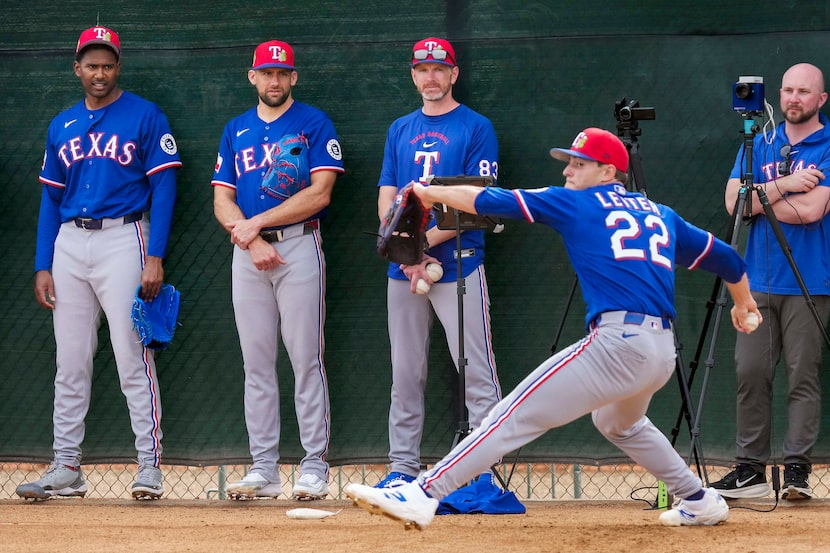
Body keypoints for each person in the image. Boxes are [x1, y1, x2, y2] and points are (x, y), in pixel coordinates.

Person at [346, 127, 762, 528]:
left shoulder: (578, 204)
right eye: (569, 162)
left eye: (580, 163)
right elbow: (727, 258)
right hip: (659, 351)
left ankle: (421, 494)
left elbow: (488, 199)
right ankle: (698, 499)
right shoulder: (661, 213)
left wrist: (426, 190)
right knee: (617, 423)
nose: (567, 171)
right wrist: (744, 305)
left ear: (608, 171)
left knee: (508, 416)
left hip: (618, 345)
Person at [16, 26, 181, 500]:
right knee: (70, 360)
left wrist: (156, 255)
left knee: (133, 355)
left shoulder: (145, 115)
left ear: (117, 67)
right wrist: (42, 263)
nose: (100, 72)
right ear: (77, 69)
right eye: (91, 64)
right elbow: (51, 198)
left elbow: (165, 187)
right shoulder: (61, 124)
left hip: (124, 236)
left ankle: (149, 465)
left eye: (107, 64)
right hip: (69, 242)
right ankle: (66, 466)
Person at [212, 40, 344, 500]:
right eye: (266, 73)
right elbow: (222, 199)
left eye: (282, 73)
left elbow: (320, 193)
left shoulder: (313, 123)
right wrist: (251, 240)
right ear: (253, 77)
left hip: (298, 248)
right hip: (248, 257)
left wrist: (258, 227)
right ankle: (264, 468)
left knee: (306, 359)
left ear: (293, 78)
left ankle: (314, 466)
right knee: (256, 364)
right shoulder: (236, 129)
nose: (274, 81)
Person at [374, 37, 502, 489]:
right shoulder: (399, 129)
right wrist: (404, 251)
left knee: (475, 370)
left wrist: (419, 244)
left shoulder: (476, 126)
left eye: (439, 68)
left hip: (459, 264)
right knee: (406, 374)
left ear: (453, 74)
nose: (431, 77)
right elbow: (387, 194)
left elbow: (474, 200)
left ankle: (483, 472)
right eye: (423, 69)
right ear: (413, 75)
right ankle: (401, 469)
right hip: (404, 270)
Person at [711, 62, 830, 501]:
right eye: (787, 91)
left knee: (803, 375)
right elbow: (731, 204)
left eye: (803, 92)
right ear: (778, 96)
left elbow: (813, 210)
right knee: (751, 372)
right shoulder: (759, 141)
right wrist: (788, 184)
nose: (793, 98)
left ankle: (797, 472)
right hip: (755, 280)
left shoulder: (828, 144)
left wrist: (760, 195)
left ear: (821, 100)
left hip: (808, 281)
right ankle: (751, 471)